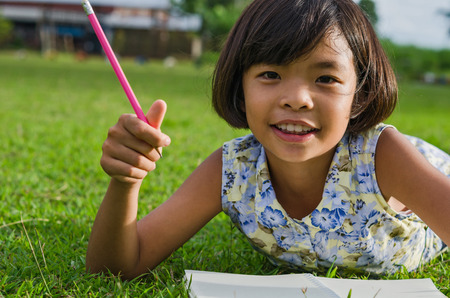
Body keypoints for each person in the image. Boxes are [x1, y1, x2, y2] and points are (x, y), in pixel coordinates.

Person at [86, 0, 450, 279]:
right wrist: (125, 182)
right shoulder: (232, 170)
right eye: (271, 73)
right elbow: (117, 268)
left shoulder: (383, 156)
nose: (296, 98)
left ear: (361, 93)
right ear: (240, 88)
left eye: (325, 79)